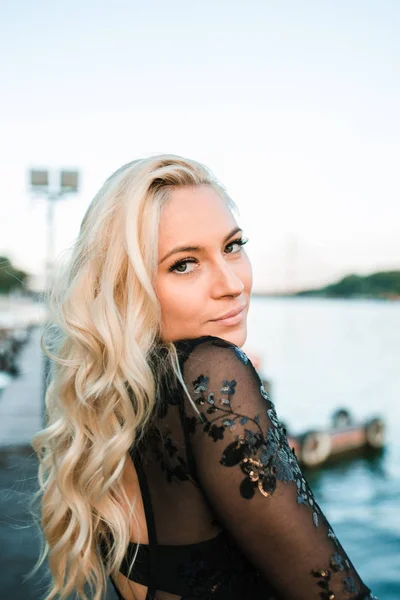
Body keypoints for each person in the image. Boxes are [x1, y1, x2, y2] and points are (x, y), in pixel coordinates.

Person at [32, 155, 378, 600]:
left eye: (233, 246)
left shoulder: (120, 406)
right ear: (126, 289)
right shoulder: (213, 375)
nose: (232, 282)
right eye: (184, 264)